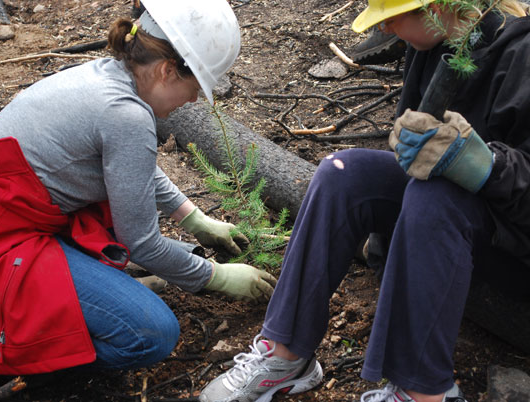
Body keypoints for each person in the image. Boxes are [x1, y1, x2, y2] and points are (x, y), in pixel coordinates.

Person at [199, 0, 530, 401]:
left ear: (438, 6)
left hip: (512, 239)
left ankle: (423, 393)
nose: (386, 30)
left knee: (436, 195)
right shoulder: (431, 48)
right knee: (344, 172)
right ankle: (286, 355)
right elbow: (410, 163)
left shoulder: (522, 56)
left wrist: (486, 166)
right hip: (448, 229)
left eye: (393, 16)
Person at [0, 0, 277, 376]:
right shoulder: (125, 114)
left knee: (118, 244)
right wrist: (216, 277)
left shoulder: (105, 75)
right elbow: (142, 242)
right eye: (196, 87)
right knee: (152, 333)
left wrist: (192, 218)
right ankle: (26, 356)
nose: (194, 100)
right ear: (166, 70)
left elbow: (133, 168)